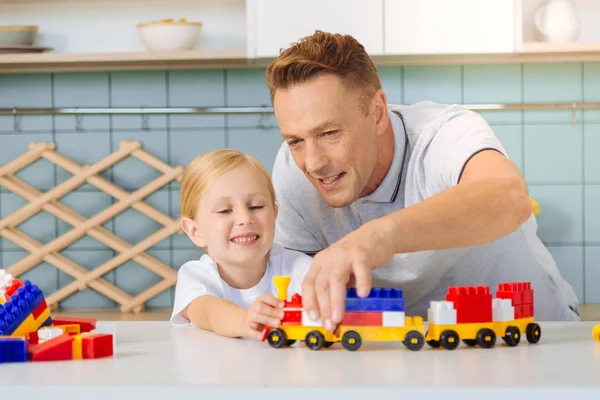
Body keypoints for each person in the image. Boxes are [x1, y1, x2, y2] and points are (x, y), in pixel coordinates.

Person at [267, 30, 581, 332]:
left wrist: (380, 236)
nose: (314, 162)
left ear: (377, 113)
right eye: (295, 141)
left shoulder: (444, 133)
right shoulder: (292, 171)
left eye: (329, 133)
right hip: (411, 349)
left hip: (534, 334)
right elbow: (298, 285)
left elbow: (510, 198)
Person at [170, 149, 312, 340]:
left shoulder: (300, 268)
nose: (245, 219)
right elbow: (208, 313)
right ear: (196, 231)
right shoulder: (196, 276)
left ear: (274, 214)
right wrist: (246, 320)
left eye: (256, 206)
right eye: (225, 210)